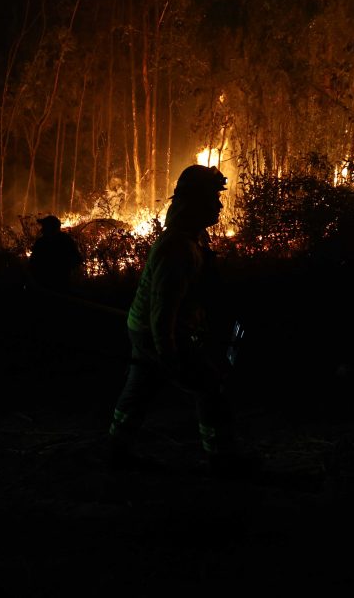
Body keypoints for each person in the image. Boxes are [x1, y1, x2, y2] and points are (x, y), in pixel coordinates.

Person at [107, 164, 246, 476]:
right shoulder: (177, 249)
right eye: (213, 198)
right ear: (195, 203)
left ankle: (117, 452)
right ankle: (222, 460)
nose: (219, 205)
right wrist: (169, 355)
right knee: (209, 385)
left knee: (139, 389)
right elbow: (164, 311)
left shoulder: (193, 238)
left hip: (147, 327)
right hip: (155, 331)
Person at [29, 215, 83, 292]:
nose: (42, 229)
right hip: (55, 283)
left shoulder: (42, 242)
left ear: (51, 228)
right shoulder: (66, 240)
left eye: (44, 226)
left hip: (53, 284)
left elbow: (33, 263)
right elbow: (77, 259)